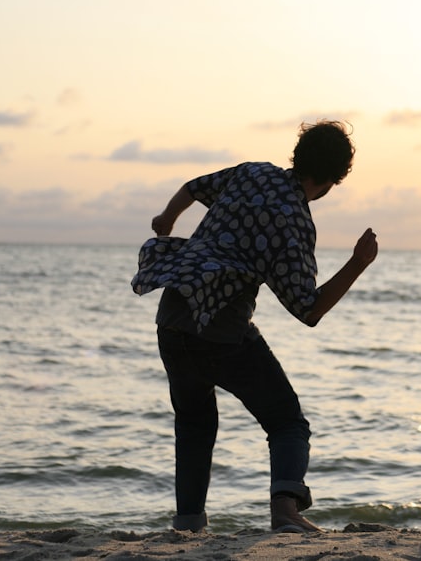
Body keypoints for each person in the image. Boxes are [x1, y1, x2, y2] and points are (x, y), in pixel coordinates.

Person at [131, 120, 378, 534]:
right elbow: (309, 309)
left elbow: (193, 187)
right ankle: (285, 511)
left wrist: (166, 217)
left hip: (172, 317)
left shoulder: (253, 172)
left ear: (297, 154)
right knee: (287, 422)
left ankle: (188, 523)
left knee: (194, 423)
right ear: (333, 180)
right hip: (220, 330)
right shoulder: (295, 220)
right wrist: (357, 263)